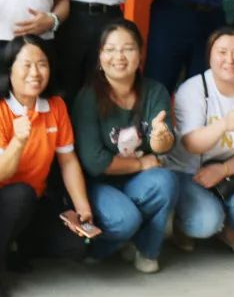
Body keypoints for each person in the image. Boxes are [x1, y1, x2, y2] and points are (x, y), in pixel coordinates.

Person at [0, 36, 93, 297]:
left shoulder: (56, 105)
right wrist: (18, 141)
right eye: (26, 65)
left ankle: (13, 246)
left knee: (75, 245)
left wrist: (82, 207)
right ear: (9, 69)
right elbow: (0, 173)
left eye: (42, 64)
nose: (35, 73)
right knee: (19, 194)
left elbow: (68, 161)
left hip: (30, 203)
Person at [71, 20, 178, 273]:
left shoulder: (155, 92)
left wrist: (160, 138)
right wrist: (141, 163)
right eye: (110, 50)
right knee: (125, 219)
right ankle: (105, 247)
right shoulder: (88, 97)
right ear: (100, 57)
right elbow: (95, 162)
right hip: (100, 184)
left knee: (165, 181)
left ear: (140, 54)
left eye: (128, 49)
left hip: (137, 183)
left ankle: (147, 250)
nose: (119, 57)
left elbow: (162, 146)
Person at [165, 26, 234, 259]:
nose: (230, 60)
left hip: (233, 172)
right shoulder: (192, 89)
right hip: (189, 172)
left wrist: (223, 169)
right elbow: (192, 144)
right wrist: (224, 124)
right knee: (206, 221)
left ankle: (225, 229)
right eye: (222, 52)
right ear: (209, 56)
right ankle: (195, 223)